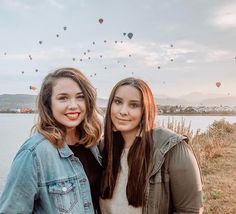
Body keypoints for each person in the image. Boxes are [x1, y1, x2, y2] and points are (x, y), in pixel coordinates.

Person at [0, 67, 102, 214]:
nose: (73, 105)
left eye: (80, 97)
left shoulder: (93, 145)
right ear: (49, 104)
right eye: (63, 98)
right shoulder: (34, 153)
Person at [99, 77, 203, 214]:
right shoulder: (102, 149)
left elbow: (190, 211)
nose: (123, 111)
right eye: (118, 102)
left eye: (134, 105)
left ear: (146, 110)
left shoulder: (172, 148)